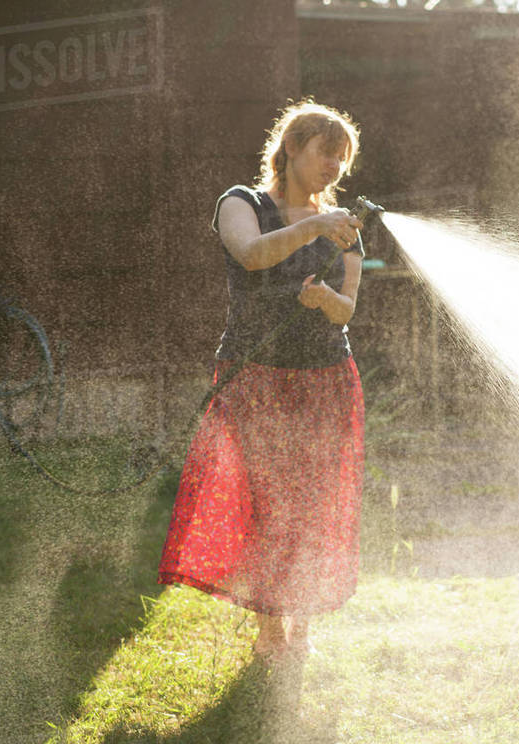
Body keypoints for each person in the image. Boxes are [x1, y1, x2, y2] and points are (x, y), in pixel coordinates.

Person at [157, 99, 367, 662]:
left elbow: (347, 308)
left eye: (343, 158)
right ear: (293, 147)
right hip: (256, 378)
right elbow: (250, 256)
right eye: (327, 152)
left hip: (325, 378)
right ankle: (272, 631)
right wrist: (315, 225)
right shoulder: (241, 203)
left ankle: (301, 620)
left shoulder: (344, 230)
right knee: (268, 503)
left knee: (312, 504)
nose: (335, 167)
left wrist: (326, 299)